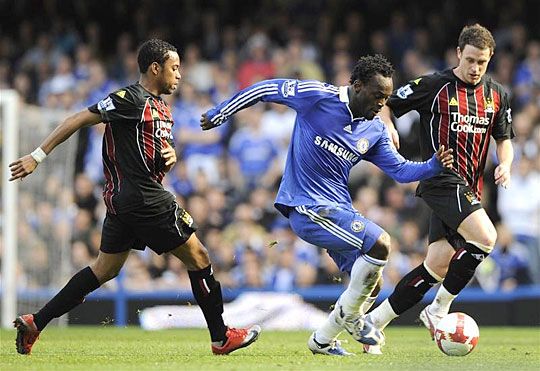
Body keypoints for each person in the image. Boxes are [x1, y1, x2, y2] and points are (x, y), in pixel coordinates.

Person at [9, 39, 260, 356]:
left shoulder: (161, 108)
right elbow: (77, 119)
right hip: (143, 197)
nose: (179, 75)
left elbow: (149, 154)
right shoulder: (131, 99)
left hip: (123, 203)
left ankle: (36, 321)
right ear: (155, 68)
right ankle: (221, 337)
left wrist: (168, 156)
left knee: (104, 270)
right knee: (199, 257)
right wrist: (37, 156)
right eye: (174, 68)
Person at [200, 54, 453, 356]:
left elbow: (400, 170)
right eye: (377, 96)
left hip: (338, 210)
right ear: (357, 86)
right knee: (381, 244)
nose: (381, 105)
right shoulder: (318, 96)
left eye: (386, 99)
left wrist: (433, 165)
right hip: (306, 206)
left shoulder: (374, 130)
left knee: (371, 285)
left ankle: (322, 339)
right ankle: (353, 320)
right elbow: (264, 89)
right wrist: (220, 113)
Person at [366, 23, 514, 353]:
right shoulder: (433, 85)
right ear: (459, 53)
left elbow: (504, 140)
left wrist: (505, 163)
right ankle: (438, 309)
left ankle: (373, 322)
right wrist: (388, 125)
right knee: (486, 238)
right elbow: (388, 103)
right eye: (471, 60)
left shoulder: (497, 96)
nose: (476, 68)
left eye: (483, 62)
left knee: (437, 264)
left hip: (470, 189)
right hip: (440, 179)